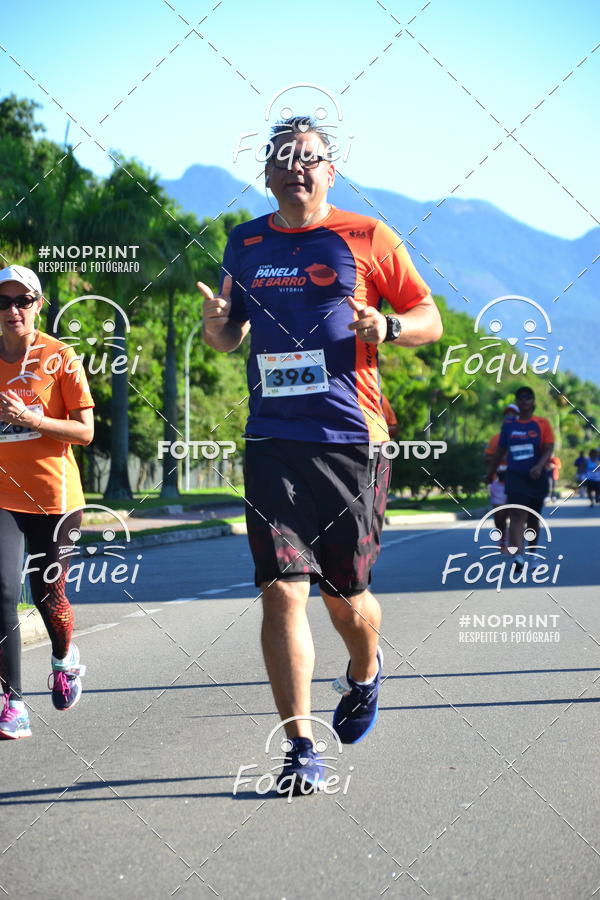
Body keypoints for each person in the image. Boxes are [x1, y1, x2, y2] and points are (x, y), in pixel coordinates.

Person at [197, 115, 442, 793]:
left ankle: (365, 669)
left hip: (350, 441)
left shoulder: (367, 236)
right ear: (267, 173)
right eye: (283, 159)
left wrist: (387, 325)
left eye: (310, 158)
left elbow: (429, 317)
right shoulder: (245, 242)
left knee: (347, 601)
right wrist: (218, 329)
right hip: (272, 439)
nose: (296, 168)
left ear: (330, 171)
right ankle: (300, 745)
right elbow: (226, 337)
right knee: (281, 591)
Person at [0, 265, 94, 740]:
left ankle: (63, 660)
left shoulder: (60, 357)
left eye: (23, 300)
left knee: (47, 594)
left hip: (55, 498)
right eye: (3, 302)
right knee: (0, 593)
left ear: (40, 304)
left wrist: (31, 419)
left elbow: (85, 431)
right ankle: (11, 702)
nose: (12, 310)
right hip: (1, 497)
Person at [486, 386, 554, 571]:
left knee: (532, 519)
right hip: (515, 477)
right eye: (520, 398)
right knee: (517, 515)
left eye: (527, 398)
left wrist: (539, 467)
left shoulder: (542, 423)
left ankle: (533, 556)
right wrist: (490, 473)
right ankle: (518, 556)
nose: (524, 401)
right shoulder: (509, 426)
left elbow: (548, 448)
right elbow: (499, 452)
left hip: (536, 477)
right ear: (517, 402)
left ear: (533, 402)